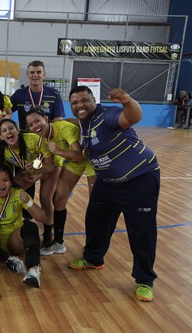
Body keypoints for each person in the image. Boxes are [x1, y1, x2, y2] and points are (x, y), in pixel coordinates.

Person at [67, 86, 160, 302]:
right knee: (95, 219)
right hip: (108, 183)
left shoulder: (106, 115)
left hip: (139, 179)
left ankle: (145, 280)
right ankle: (93, 258)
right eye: (74, 103)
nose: (80, 105)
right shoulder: (83, 123)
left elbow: (133, 116)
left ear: (94, 100)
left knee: (141, 231)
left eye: (84, 100)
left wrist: (127, 100)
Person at [25, 107, 96, 255]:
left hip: (90, 159)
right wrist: (36, 170)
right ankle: (58, 242)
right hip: (74, 160)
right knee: (58, 199)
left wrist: (58, 151)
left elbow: (81, 155)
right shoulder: (43, 138)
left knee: (95, 205)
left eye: (37, 121)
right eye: (30, 125)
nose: (34, 126)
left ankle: (92, 248)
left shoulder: (64, 129)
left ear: (45, 118)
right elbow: (50, 166)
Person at [0, 165, 46, 287]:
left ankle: (33, 270)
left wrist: (29, 202)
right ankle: (7, 260)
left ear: (11, 182)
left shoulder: (18, 194)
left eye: (5, 180)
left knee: (30, 227)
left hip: (14, 240)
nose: (1, 184)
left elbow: (43, 218)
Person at [11, 60, 64, 131]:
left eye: (39, 72)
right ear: (27, 75)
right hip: (26, 138)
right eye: (32, 72)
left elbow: (58, 121)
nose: (35, 75)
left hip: (47, 138)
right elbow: (6, 111)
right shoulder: (19, 94)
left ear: (44, 75)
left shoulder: (54, 94)